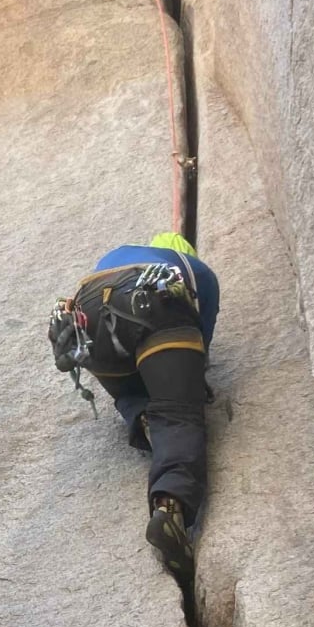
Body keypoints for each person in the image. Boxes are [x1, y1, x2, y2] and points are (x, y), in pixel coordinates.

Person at [47, 232, 218, 579]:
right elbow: (199, 339)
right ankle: (170, 506)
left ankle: (144, 419)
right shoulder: (193, 270)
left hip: (85, 320)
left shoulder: (113, 257)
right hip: (154, 302)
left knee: (129, 393)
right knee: (178, 410)